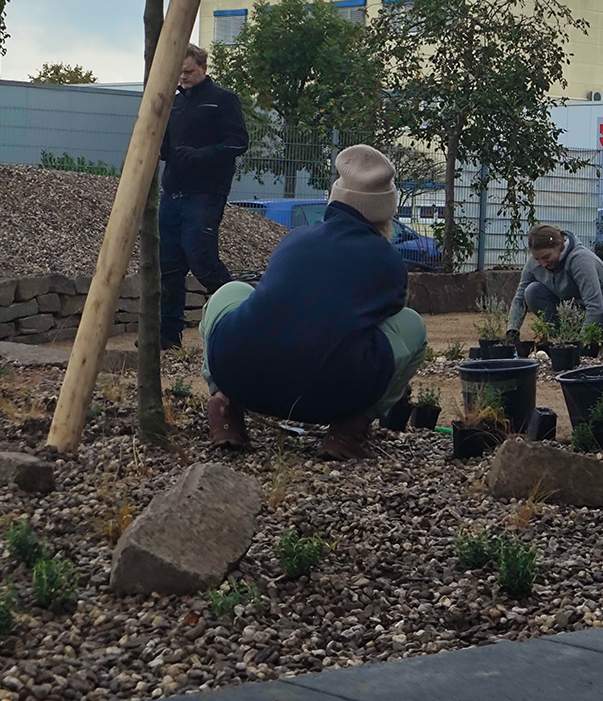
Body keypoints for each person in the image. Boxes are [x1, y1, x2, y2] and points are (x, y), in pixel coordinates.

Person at [199, 144, 428, 461]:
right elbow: (384, 320)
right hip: (331, 397)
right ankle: (348, 431)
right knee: (411, 325)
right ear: (384, 209)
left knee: (229, 292)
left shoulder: (296, 237)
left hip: (241, 376)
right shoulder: (387, 261)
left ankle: (225, 407)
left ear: (336, 197)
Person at [158, 44, 249, 348]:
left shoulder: (222, 100)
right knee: (169, 265)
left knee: (201, 258)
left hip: (205, 192)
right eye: (178, 73)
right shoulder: (174, 104)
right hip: (172, 191)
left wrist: (201, 156)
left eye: (188, 72)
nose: (182, 78)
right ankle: (168, 335)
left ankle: (244, 316)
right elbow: (165, 147)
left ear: (203, 67)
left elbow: (238, 142)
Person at [505, 224, 603, 346]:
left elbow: (595, 305)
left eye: (546, 257)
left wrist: (583, 342)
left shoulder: (580, 260)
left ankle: (600, 342)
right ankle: (565, 340)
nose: (542, 264)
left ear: (559, 245)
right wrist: (512, 330)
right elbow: (520, 298)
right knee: (531, 291)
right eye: (537, 259)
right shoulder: (536, 263)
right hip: (574, 312)